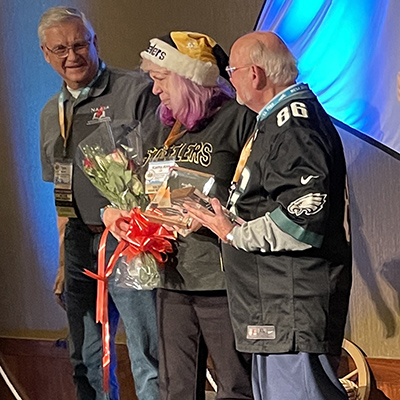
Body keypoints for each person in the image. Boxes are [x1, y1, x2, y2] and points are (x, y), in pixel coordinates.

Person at [185, 31, 352, 400]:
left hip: (290, 308)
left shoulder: (294, 125)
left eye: (232, 71)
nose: (229, 80)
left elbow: (303, 217)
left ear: (255, 74)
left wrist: (234, 233)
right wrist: (224, 219)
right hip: (272, 306)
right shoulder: (275, 120)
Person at [104, 31, 255, 399]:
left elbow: (257, 197)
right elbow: (136, 188)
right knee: (176, 388)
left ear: (187, 79)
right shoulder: (158, 125)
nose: (155, 90)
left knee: (235, 386)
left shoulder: (237, 119)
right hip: (171, 278)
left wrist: (215, 215)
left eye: (160, 79)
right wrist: (117, 212)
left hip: (221, 281)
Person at [39, 7, 160, 400]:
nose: (72, 56)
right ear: (46, 54)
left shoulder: (135, 89)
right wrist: (62, 261)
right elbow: (61, 192)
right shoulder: (50, 113)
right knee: (86, 359)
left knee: (149, 358)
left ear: (95, 43)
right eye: (60, 49)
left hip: (131, 240)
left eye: (79, 45)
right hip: (79, 243)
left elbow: (162, 170)